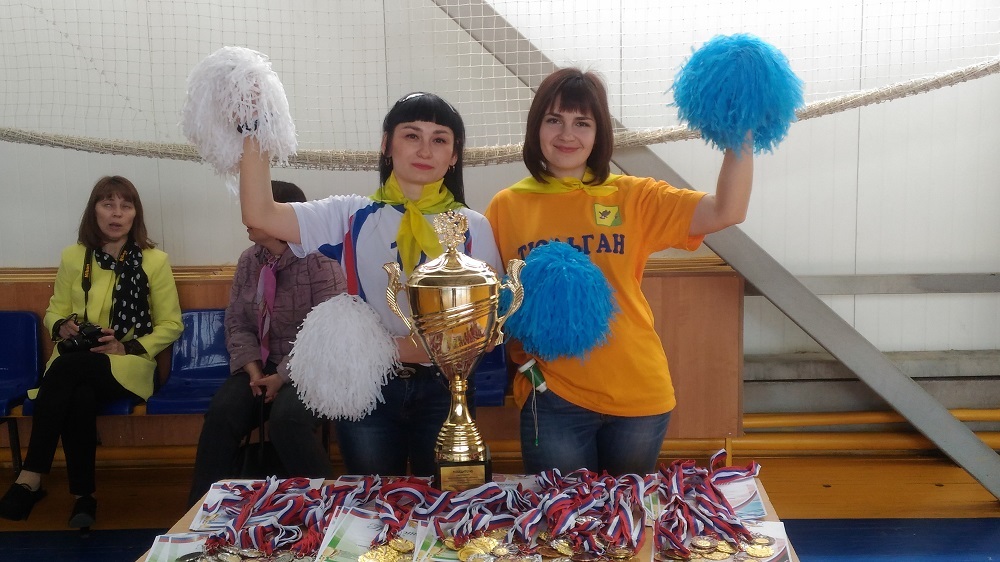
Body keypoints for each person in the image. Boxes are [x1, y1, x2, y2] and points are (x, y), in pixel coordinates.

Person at [484, 68, 754, 476]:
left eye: (582, 123)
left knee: (626, 514)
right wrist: (521, 364)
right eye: (554, 120)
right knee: (563, 515)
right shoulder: (506, 206)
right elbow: (494, 305)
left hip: (639, 396)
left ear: (599, 133)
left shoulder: (634, 196)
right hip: (553, 397)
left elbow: (726, 210)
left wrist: (742, 135)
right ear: (536, 126)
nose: (567, 134)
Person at [237, 93, 502, 477]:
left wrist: (388, 348)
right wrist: (254, 128)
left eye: (439, 139)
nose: (425, 149)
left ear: (454, 155)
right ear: (386, 144)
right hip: (369, 388)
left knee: (446, 502)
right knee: (374, 503)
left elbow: (486, 331)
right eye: (411, 135)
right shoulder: (350, 214)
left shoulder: (474, 227)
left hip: (447, 389)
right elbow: (259, 214)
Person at [0, 176, 183, 527]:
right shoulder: (74, 257)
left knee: (67, 372)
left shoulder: (154, 261)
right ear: (93, 211)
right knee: (79, 394)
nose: (117, 213)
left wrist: (125, 346)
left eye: (125, 206)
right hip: (75, 363)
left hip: (127, 364)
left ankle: (31, 476)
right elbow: (54, 310)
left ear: (135, 214)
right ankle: (84, 498)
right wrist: (61, 326)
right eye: (107, 204)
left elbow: (171, 324)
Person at [187, 180, 347, 506]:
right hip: (260, 365)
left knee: (287, 420)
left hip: (313, 366)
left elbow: (327, 332)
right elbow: (237, 321)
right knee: (222, 413)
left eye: (255, 210)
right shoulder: (250, 260)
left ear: (282, 218)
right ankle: (202, 511)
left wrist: (282, 376)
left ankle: (325, 509)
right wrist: (253, 370)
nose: (246, 218)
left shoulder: (322, 261)